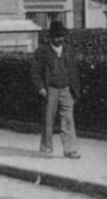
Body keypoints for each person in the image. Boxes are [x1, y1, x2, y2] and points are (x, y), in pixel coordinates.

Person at [32, 21, 81, 158]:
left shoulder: (69, 50)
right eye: (57, 36)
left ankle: (70, 149)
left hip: (66, 90)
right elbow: (35, 72)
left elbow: (74, 71)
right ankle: (47, 149)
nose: (60, 39)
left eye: (62, 36)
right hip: (50, 90)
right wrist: (41, 88)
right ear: (50, 37)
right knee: (48, 121)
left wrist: (75, 92)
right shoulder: (42, 52)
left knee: (68, 120)